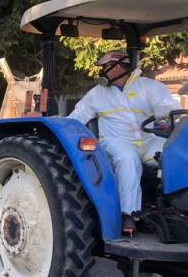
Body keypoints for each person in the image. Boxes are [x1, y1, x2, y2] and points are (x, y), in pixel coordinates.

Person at [68, 50, 180, 234]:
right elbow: (77, 117)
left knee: (174, 154)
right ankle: (128, 215)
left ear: (119, 67)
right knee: (127, 159)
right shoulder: (97, 94)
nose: (102, 72)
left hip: (148, 139)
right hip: (115, 141)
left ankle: (173, 210)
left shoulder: (148, 87)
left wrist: (164, 117)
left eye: (105, 68)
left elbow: (167, 106)